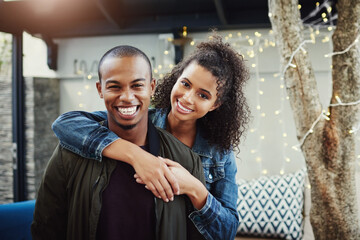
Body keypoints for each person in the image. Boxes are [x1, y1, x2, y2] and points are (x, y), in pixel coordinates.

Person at [52, 34, 250, 240]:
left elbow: (227, 232)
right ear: (176, 79)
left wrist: (194, 188)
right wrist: (136, 156)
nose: (187, 98)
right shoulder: (140, 119)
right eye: (185, 84)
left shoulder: (219, 153)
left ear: (215, 104)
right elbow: (65, 125)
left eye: (203, 95)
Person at [31, 45, 206, 240]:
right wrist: (136, 155)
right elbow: (45, 228)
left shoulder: (186, 161)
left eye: (137, 85)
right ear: (100, 89)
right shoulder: (69, 154)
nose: (127, 97)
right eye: (115, 86)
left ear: (151, 87)